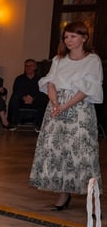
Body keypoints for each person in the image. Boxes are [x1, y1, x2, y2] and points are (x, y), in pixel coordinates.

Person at [29, 21, 103, 211]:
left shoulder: (92, 60)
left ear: (84, 38)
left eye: (73, 36)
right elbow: (51, 82)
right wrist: (55, 103)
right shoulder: (59, 59)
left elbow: (87, 89)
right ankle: (63, 195)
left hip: (79, 110)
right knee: (58, 151)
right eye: (66, 37)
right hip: (56, 108)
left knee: (81, 153)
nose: (68, 40)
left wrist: (65, 106)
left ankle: (92, 199)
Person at [9, 58, 49, 130]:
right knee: (14, 98)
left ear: (35, 67)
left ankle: (39, 125)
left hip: (35, 100)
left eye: (31, 66)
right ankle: (14, 123)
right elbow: (16, 90)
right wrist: (23, 97)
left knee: (44, 99)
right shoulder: (19, 78)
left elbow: (42, 91)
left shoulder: (40, 79)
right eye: (26, 66)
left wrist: (33, 98)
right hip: (22, 100)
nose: (28, 68)